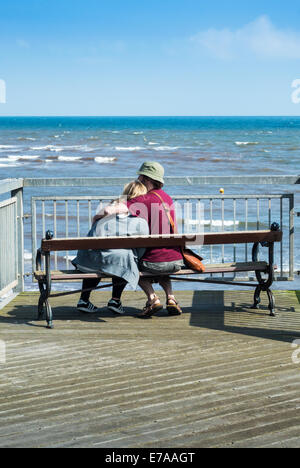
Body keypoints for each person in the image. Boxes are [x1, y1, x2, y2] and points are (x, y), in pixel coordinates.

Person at [95, 162, 184, 317]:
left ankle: (152, 298)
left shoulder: (143, 199)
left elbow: (111, 209)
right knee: (164, 258)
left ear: (146, 179)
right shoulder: (168, 198)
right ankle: (171, 297)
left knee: (132, 265)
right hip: (176, 261)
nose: (138, 179)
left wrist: (97, 216)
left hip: (155, 264)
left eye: (140, 176)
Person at [72, 180, 149, 315]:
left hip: (86, 262)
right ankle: (115, 300)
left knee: (105, 254)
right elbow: (141, 249)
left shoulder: (104, 214)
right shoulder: (139, 221)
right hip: (115, 264)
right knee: (125, 257)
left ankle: (84, 300)